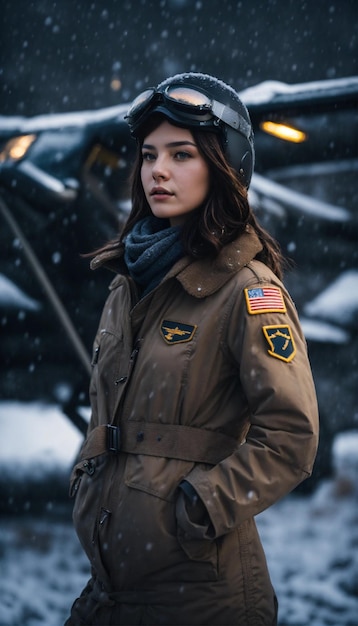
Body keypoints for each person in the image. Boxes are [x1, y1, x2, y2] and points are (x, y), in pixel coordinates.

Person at [65, 72, 319, 626]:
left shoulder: (249, 292)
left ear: (226, 166)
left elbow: (292, 438)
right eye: (149, 154)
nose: (157, 170)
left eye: (181, 154)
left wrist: (195, 508)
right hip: (112, 586)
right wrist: (89, 475)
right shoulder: (126, 284)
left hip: (203, 594)